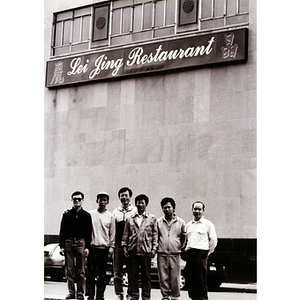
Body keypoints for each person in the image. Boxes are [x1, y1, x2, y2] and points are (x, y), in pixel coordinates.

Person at [122, 194, 158, 300]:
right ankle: (134, 296)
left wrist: (154, 248)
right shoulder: (130, 219)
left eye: (142, 202)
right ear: (136, 204)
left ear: (146, 204)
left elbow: (155, 235)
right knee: (133, 276)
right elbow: (125, 235)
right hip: (133, 251)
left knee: (146, 277)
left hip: (146, 252)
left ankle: (146, 297)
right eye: (138, 202)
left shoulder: (152, 219)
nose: (140, 204)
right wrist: (124, 247)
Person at [59, 191, 92, 299]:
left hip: (81, 243)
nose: (76, 201)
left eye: (79, 199)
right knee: (69, 269)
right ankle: (71, 292)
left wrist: (87, 247)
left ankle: (80, 293)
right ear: (72, 200)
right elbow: (62, 230)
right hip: (68, 243)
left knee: (81, 269)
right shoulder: (67, 214)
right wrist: (61, 246)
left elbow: (89, 232)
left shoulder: (86, 215)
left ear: (82, 200)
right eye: (74, 199)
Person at [184, 201, 217, 300]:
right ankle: (193, 298)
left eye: (199, 209)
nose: (197, 211)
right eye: (195, 209)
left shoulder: (208, 224)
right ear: (192, 210)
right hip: (190, 254)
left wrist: (207, 253)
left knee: (201, 279)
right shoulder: (188, 225)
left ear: (203, 211)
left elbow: (213, 240)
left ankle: (203, 298)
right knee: (191, 279)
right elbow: (186, 240)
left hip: (201, 254)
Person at [86, 192, 115, 300]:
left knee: (102, 275)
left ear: (107, 202)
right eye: (100, 200)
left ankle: (100, 295)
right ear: (96, 201)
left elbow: (112, 233)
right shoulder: (90, 214)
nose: (102, 202)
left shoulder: (111, 216)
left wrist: (111, 247)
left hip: (104, 249)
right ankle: (90, 295)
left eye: (104, 200)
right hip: (92, 248)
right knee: (90, 273)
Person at [157, 197, 186, 300]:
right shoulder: (159, 222)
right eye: (165, 208)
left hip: (175, 254)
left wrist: (179, 247)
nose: (167, 210)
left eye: (169, 207)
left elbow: (183, 237)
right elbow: (156, 237)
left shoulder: (181, 222)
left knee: (175, 278)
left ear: (174, 208)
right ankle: (165, 296)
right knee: (163, 277)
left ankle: (174, 296)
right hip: (162, 253)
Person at [112, 187, 137, 300]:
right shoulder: (115, 212)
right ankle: (119, 293)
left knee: (131, 271)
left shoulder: (135, 211)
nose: (124, 198)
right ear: (119, 197)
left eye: (126, 195)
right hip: (118, 246)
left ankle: (130, 294)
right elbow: (112, 230)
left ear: (130, 197)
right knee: (117, 271)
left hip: (130, 246)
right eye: (122, 195)